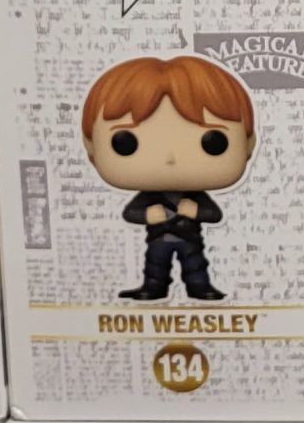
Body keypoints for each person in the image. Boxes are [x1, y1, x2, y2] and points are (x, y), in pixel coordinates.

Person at [81, 55, 256, 303]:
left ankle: (199, 287)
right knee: (155, 265)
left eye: (213, 142)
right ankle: (153, 288)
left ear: (248, 143)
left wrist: (196, 211)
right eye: (125, 142)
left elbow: (214, 214)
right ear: (90, 145)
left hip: (189, 238)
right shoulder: (147, 196)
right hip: (159, 238)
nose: (170, 158)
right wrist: (147, 215)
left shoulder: (195, 195)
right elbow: (131, 213)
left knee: (195, 265)